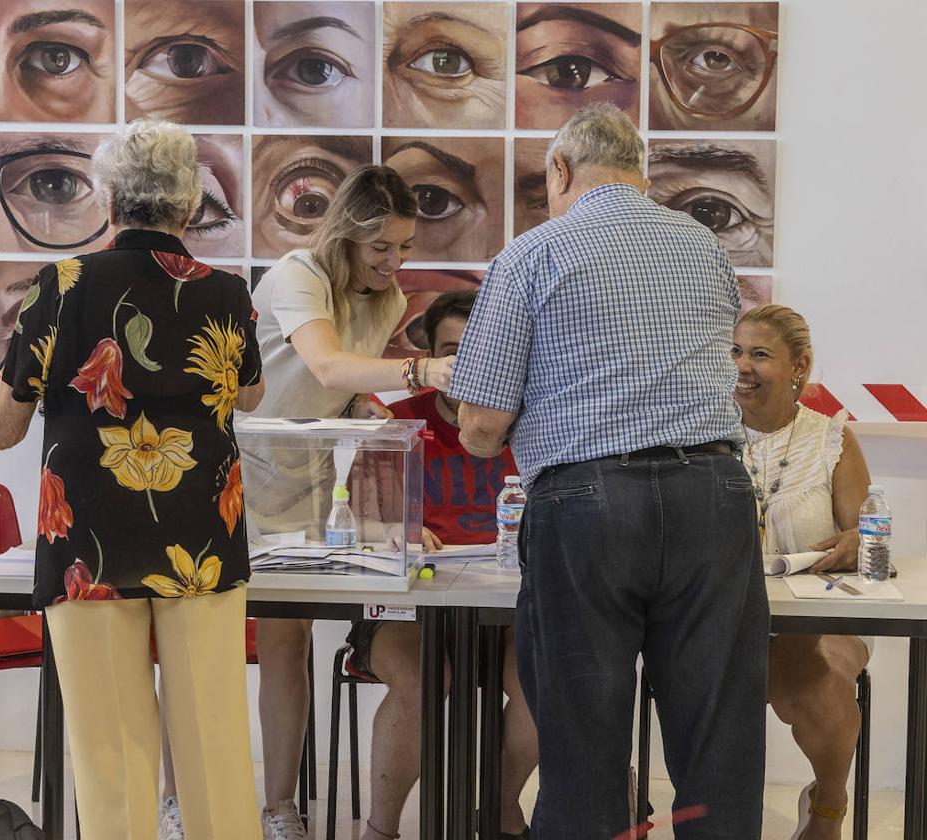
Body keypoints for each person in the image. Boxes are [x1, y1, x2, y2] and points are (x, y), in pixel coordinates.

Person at [452, 103, 768, 839]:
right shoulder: (702, 246)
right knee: (719, 741)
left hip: (587, 505)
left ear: (560, 170)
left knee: (583, 743)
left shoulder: (533, 254)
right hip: (713, 496)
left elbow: (481, 425)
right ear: (642, 173)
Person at [0, 118, 264, 840]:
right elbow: (252, 394)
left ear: (107, 199)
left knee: (109, 742)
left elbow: (3, 427)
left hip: (86, 540)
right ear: (187, 205)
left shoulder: (62, 284)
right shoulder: (229, 293)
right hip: (202, 531)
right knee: (215, 735)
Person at [247, 164, 453, 840]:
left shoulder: (386, 301)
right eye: (381, 248)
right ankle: (183, 800)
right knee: (208, 648)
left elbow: (340, 390)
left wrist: (368, 410)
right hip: (237, 475)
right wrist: (426, 370)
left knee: (287, 641)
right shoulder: (299, 275)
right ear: (346, 236)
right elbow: (328, 365)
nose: (394, 264)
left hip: (304, 480)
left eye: (405, 248)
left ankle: (278, 807)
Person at [346, 290, 536, 840]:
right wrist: (395, 530)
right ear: (430, 353)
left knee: (540, 679)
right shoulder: (397, 421)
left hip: (507, 602)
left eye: (480, 350)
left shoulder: (533, 423)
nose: (467, 365)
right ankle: (380, 830)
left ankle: (498, 809)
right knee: (423, 680)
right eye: (453, 350)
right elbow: (362, 520)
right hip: (413, 603)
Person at [733, 304, 874, 840]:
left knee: (811, 678)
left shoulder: (832, 439)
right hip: (726, 613)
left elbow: (865, 533)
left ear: (800, 366)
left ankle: (828, 807)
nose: (743, 366)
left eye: (760, 354)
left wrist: (854, 540)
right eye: (735, 352)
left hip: (822, 607)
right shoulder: (703, 433)